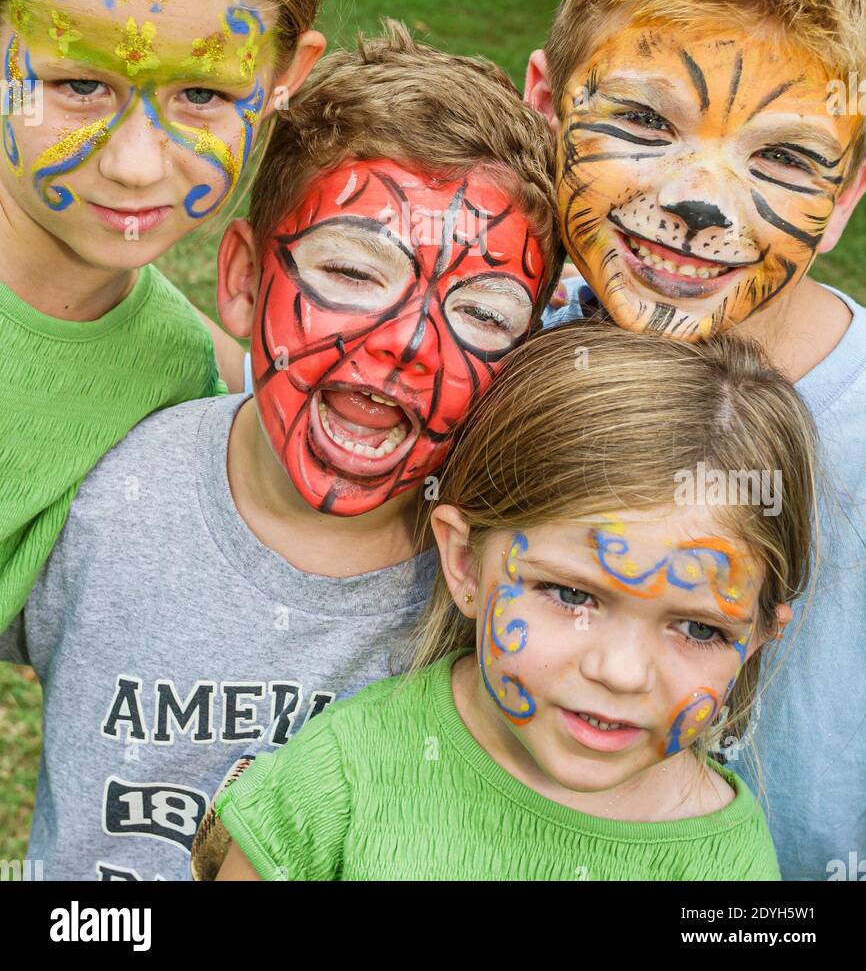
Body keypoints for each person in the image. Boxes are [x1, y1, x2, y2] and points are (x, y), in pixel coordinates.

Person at [0, 25, 561, 881]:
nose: (406, 345)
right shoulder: (106, 488)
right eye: (353, 271)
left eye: (483, 313)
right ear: (244, 282)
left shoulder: (498, 597)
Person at [524, 0, 866, 880]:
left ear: (847, 191)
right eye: (641, 121)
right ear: (545, 106)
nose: (699, 202)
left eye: (785, 160)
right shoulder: (487, 347)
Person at [209, 321, 814, 881]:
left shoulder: (727, 865)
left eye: (699, 630)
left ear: (760, 634)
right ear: (466, 562)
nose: (621, 672)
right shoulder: (341, 779)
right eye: (572, 593)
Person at [0, 0, 329, 632]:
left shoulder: (190, 393)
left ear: (283, 80)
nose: (136, 163)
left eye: (203, 94)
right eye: (78, 85)